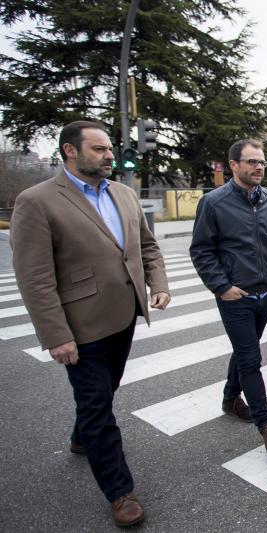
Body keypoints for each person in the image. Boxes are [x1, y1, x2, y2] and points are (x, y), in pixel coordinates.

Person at [10, 120, 170, 527]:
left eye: (109, 149)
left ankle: (81, 437)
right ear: (70, 151)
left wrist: (158, 284)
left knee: (104, 392)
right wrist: (56, 336)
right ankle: (120, 492)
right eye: (99, 149)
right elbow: (35, 278)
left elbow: (147, 247)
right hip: (79, 327)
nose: (109, 155)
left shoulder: (123, 194)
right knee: (97, 406)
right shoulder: (37, 201)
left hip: (123, 316)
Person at [190, 139, 267, 453]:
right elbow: (202, 250)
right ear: (234, 165)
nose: (259, 167)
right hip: (236, 296)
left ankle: (230, 397)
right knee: (250, 357)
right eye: (252, 162)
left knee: (245, 348)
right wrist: (222, 286)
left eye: (261, 162)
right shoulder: (213, 202)